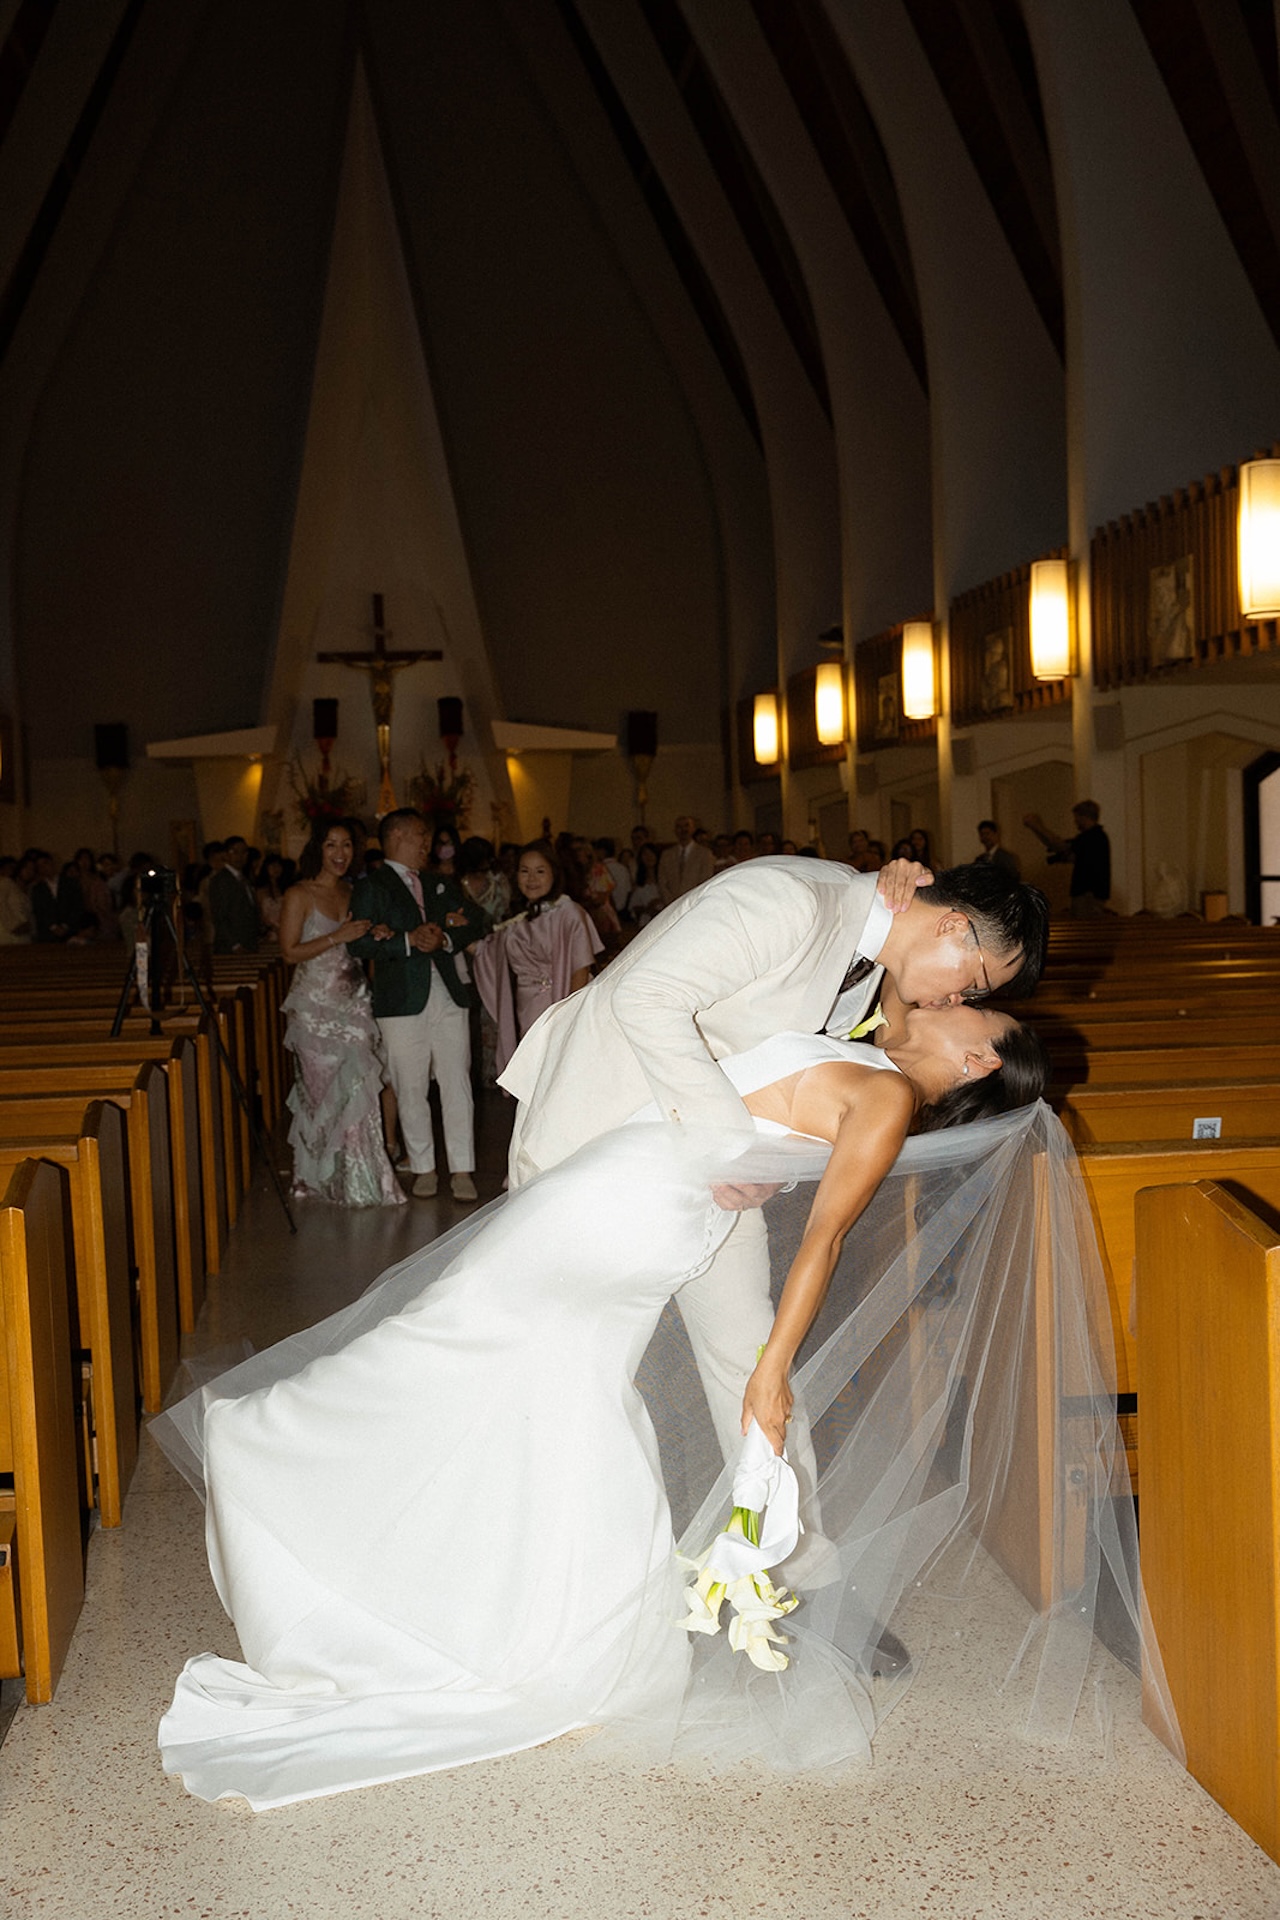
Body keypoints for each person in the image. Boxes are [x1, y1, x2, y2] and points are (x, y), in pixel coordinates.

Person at [155, 1000, 1162, 1813]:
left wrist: (769, 1370)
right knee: (519, 1394)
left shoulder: (890, 1098)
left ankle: (289, 1466)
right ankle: (537, 1630)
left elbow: (817, 1243)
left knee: (465, 1365)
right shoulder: (868, 1043)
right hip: (622, 1202)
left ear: (983, 1061)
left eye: (975, 1015)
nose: (955, 1004)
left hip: (619, 1218)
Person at [502, 856, 1049, 1464]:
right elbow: (646, 995)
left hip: (719, 1178)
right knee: (563, 1363)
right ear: (952, 928)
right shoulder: (790, 903)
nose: (958, 998)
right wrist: (726, 1148)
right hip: (601, 1135)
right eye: (973, 984)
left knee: (751, 1357)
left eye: (974, 999)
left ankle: (786, 1552)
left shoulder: (881, 970)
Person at [348, 808, 490, 1203]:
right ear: (395, 837)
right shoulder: (371, 886)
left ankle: (462, 1168)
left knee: (456, 1079)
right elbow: (358, 943)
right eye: (420, 835)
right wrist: (409, 941)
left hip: (448, 992)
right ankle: (424, 1166)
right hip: (400, 1000)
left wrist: (443, 938)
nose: (428, 844)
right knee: (409, 1085)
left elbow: (476, 922)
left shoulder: (439, 883)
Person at [277, 823, 404, 1208]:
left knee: (359, 1089)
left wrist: (373, 935)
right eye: (332, 844)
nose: (340, 852)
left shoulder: (354, 892)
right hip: (314, 1010)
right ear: (318, 848)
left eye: (347, 845)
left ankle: (363, 1178)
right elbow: (289, 953)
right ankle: (322, 1177)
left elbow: (358, 945)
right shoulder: (299, 893)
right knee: (322, 1097)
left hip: (354, 1004)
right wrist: (339, 936)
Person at [471, 840, 602, 1076]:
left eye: (540, 871)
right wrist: (451, 937)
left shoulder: (567, 912)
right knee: (531, 1076)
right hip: (527, 1008)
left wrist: (569, 1017)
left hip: (559, 1002)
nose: (531, 879)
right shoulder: (518, 919)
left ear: (553, 873)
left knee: (560, 1075)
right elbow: (488, 952)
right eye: (524, 871)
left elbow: (579, 969)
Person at [1024, 800, 1111, 916]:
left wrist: (1037, 827)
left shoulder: (1093, 837)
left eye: (1076, 817)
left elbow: (1060, 847)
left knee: (1084, 927)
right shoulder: (1095, 837)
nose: (1075, 821)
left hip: (1088, 895)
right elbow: (1068, 853)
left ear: (1083, 817)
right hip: (1091, 894)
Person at [208, 836, 259, 954]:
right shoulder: (221, 880)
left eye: (243, 852)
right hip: (231, 946)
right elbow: (219, 916)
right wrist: (234, 944)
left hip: (249, 941)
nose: (239, 856)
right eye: (234, 852)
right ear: (225, 855)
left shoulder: (244, 879)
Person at [658, 816, 715, 905]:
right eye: (679, 827)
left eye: (686, 825)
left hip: (694, 903)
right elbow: (662, 882)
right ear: (675, 830)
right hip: (671, 905)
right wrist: (671, 903)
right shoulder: (666, 855)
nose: (683, 829)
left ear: (693, 829)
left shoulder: (705, 854)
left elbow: (705, 880)